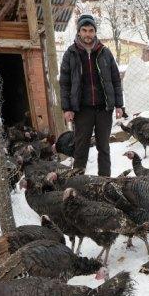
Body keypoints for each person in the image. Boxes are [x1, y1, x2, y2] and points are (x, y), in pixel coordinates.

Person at [59, 14, 124, 177]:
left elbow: (116, 80)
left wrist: (119, 105)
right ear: (79, 32)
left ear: (95, 32)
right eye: (84, 30)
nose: (88, 34)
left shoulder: (104, 52)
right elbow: (65, 83)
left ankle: (105, 182)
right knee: (80, 149)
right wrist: (67, 108)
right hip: (82, 109)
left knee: (104, 148)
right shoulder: (70, 54)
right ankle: (78, 183)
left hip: (104, 109)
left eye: (91, 30)